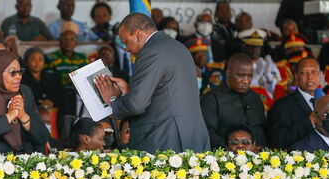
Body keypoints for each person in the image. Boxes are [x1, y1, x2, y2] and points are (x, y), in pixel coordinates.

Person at [95, 12, 210, 153]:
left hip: (165, 140)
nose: (126, 49)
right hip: (191, 136)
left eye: (126, 42)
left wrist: (114, 100)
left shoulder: (150, 52)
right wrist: (130, 90)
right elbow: (167, 91)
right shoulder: (177, 46)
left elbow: (136, 105)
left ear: (138, 34)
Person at [201, 53, 266, 149]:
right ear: (228, 73)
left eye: (249, 76)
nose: (246, 81)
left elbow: (263, 129)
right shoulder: (212, 98)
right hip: (225, 159)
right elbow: (207, 132)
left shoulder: (255, 98)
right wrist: (231, 148)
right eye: (241, 75)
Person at [266, 57, 321, 150]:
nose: (310, 77)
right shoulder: (282, 105)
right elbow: (279, 140)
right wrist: (309, 122)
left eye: (314, 72)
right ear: (296, 76)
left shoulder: (326, 102)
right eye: (304, 73)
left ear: (320, 75)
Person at [239, 29, 280, 110]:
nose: (254, 50)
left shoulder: (269, 65)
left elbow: (276, 90)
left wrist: (270, 80)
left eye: (257, 47)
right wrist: (255, 78)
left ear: (261, 48)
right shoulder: (238, 64)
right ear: (245, 47)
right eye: (251, 46)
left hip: (267, 104)